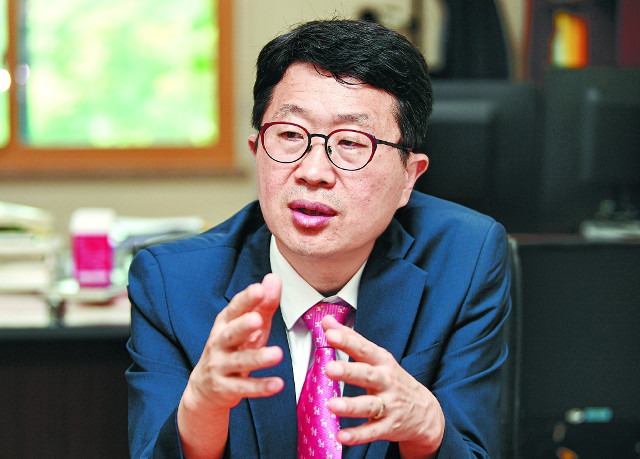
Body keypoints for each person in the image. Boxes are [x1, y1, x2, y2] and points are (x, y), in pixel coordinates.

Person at [126, 19, 511, 459]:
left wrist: (427, 429)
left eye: (351, 142)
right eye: (290, 135)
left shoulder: (465, 259)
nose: (313, 172)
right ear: (257, 152)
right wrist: (199, 412)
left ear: (409, 176)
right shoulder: (172, 284)